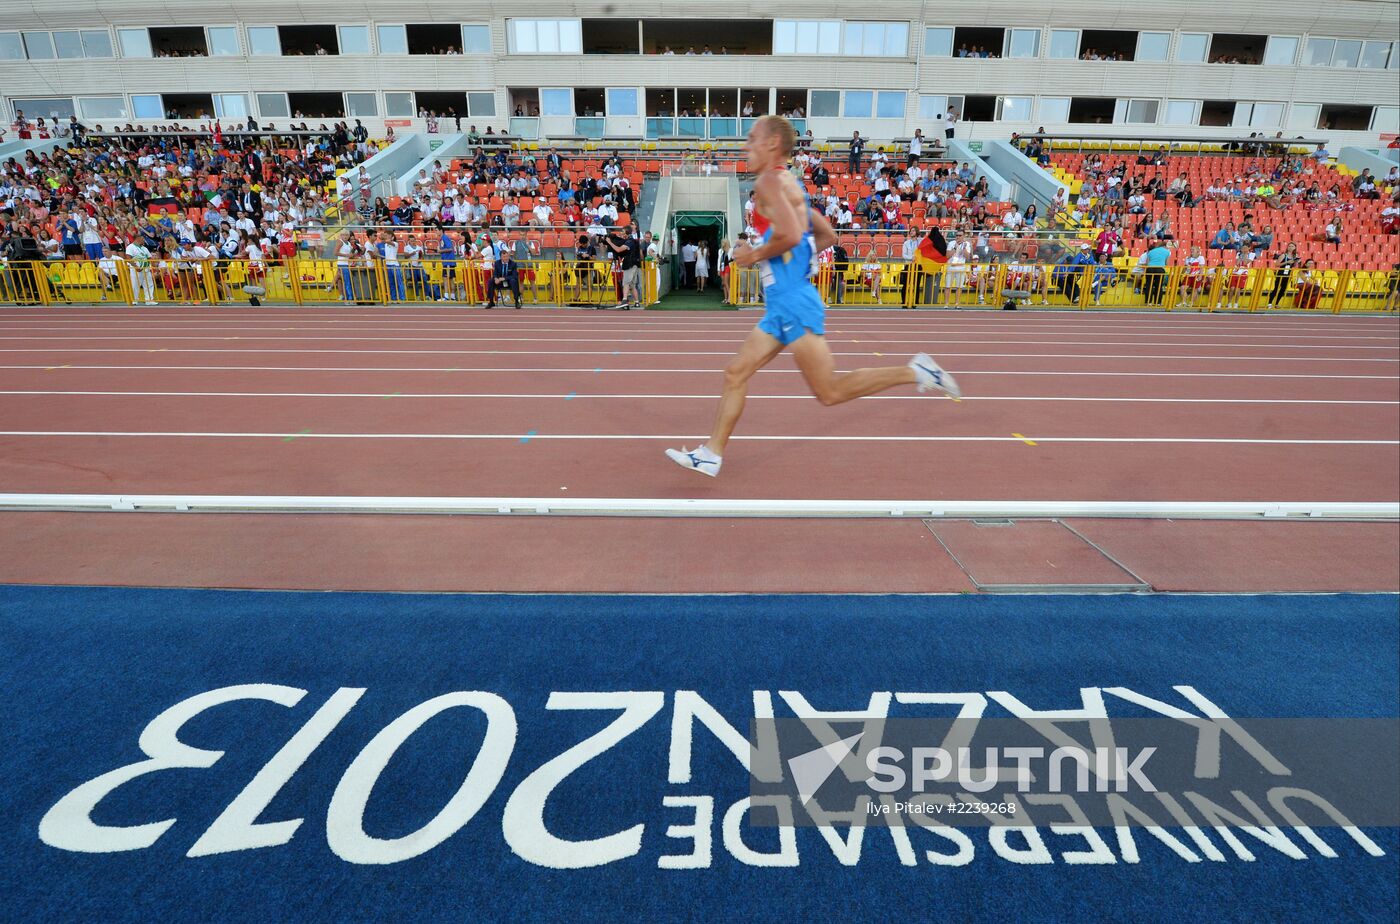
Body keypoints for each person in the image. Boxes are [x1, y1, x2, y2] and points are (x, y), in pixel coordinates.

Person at [665, 116, 961, 478]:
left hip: (792, 303)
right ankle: (711, 454)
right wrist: (792, 262)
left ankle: (915, 371)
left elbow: (791, 235)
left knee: (830, 391)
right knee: (735, 372)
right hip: (782, 303)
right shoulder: (790, 185)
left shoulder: (769, 181)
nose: (746, 146)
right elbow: (826, 236)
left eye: (753, 138)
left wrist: (754, 255)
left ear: (773, 144)